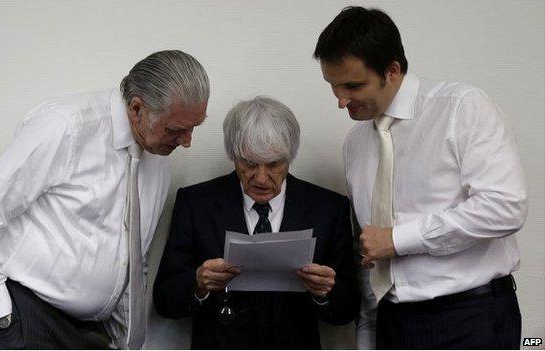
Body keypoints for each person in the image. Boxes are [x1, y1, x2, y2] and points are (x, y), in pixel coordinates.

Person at [0, 50, 210, 349]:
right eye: (176, 129)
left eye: (193, 128)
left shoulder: (158, 155)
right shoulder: (68, 126)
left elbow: (131, 259)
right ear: (137, 109)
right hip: (23, 314)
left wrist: (124, 342)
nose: (187, 142)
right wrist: (1, 317)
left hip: (87, 331)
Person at [313, 6, 528, 349]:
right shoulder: (355, 144)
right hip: (393, 321)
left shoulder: (462, 108)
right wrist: (368, 334)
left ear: (392, 70)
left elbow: (504, 208)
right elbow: (368, 249)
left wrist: (399, 239)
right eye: (333, 86)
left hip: (469, 318)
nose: (341, 101)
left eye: (353, 85)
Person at [153, 96, 360, 349]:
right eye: (249, 163)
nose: (261, 178)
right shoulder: (196, 204)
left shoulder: (328, 208)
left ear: (290, 156)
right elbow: (164, 301)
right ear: (233, 155)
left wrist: (325, 291)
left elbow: (349, 309)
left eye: (274, 164)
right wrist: (198, 283)